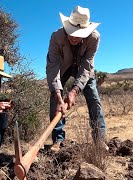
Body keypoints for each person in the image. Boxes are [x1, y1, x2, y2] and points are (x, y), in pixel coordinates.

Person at [46, 6, 108, 152]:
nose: (74, 37)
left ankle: (99, 140)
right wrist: (58, 95)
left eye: (79, 34)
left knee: (94, 99)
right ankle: (58, 140)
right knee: (55, 100)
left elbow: (87, 66)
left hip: (83, 69)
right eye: (71, 32)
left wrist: (74, 91)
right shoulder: (56, 37)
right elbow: (52, 67)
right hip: (62, 67)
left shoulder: (94, 38)